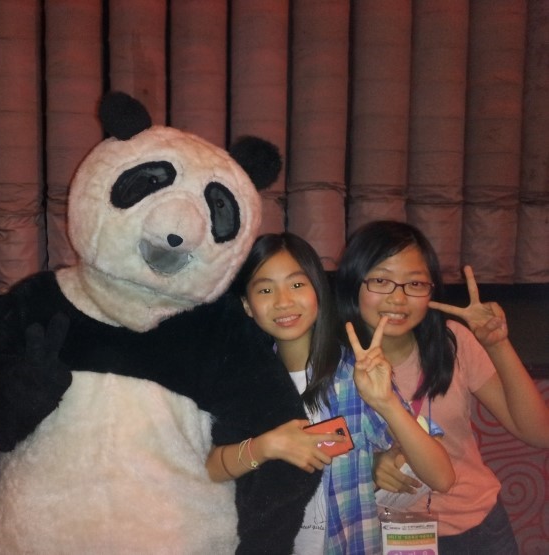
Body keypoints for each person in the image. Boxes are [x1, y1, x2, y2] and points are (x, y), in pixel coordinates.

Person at [206, 232, 454, 554]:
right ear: (247, 305)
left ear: (318, 292)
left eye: (297, 284)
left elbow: (442, 477)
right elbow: (210, 468)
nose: (283, 301)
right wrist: (266, 446)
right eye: (265, 289)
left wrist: (385, 402)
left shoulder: (353, 376)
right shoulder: (241, 382)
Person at [335, 220, 549, 555]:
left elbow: (538, 433)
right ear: (354, 283)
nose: (398, 298)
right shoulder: (331, 363)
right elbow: (317, 453)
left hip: (475, 529)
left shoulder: (452, 343)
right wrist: (368, 467)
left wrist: (497, 344)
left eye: (415, 283)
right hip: (378, 534)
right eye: (381, 281)